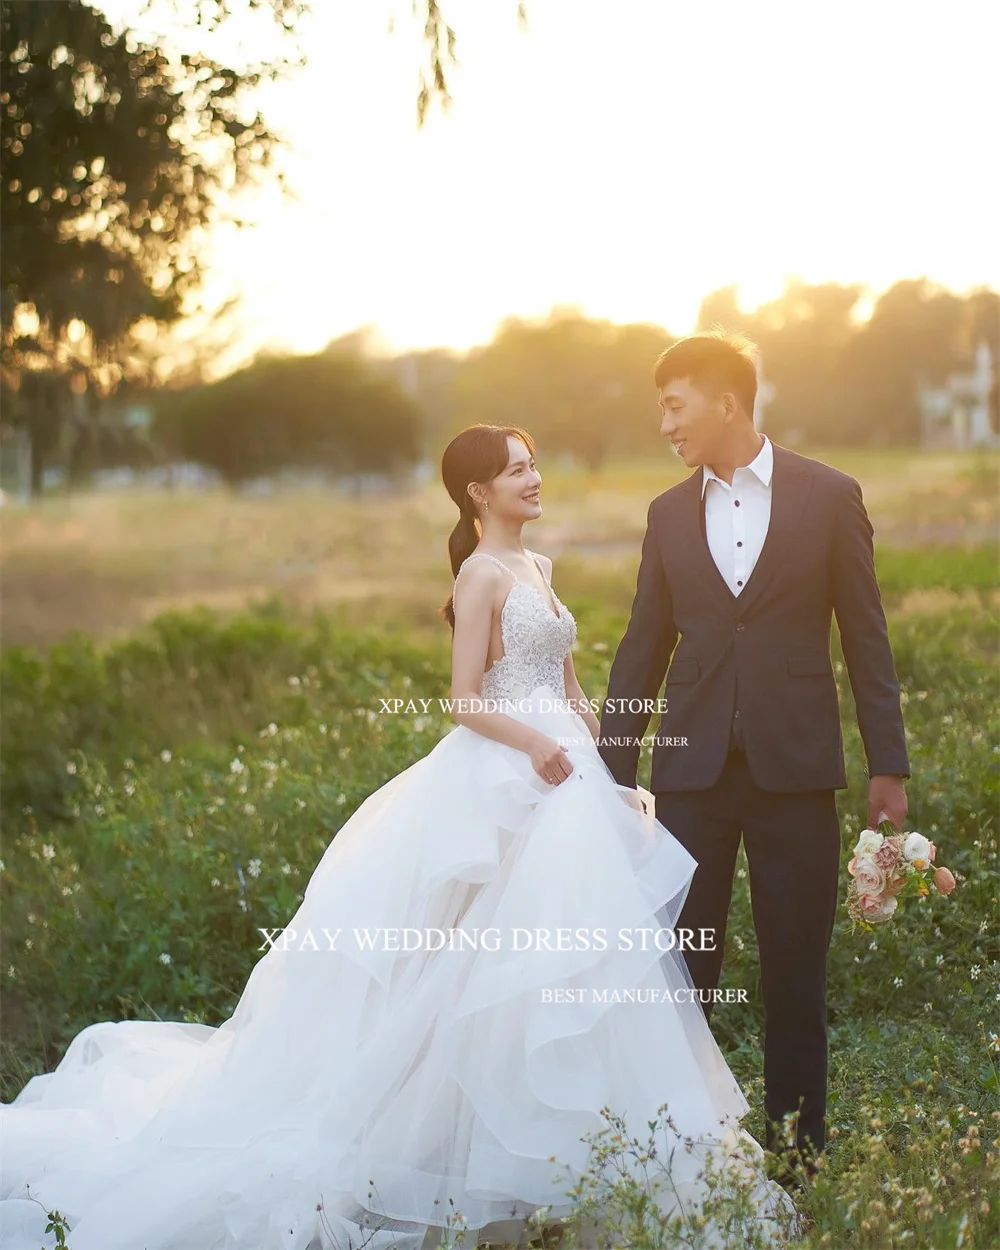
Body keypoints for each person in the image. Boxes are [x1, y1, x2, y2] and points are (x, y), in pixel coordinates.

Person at [0, 423, 798, 1250]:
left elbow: (572, 688)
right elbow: (463, 698)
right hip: (510, 771)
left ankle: (574, 1169)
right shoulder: (482, 574)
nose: (535, 478)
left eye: (533, 465)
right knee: (474, 975)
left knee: (569, 968)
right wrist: (535, 748)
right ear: (477, 494)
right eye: (517, 470)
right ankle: (462, 1163)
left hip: (568, 775)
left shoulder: (541, 569)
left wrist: (613, 775)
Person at [597, 331, 911, 1177]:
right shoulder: (667, 513)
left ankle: (799, 1158)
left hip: (798, 775)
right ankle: (681, 1162)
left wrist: (891, 764)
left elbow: (867, 640)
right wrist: (610, 773)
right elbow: (641, 648)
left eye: (674, 404)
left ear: (724, 401)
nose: (665, 424)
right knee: (684, 972)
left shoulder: (829, 495)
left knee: (795, 973)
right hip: (691, 779)